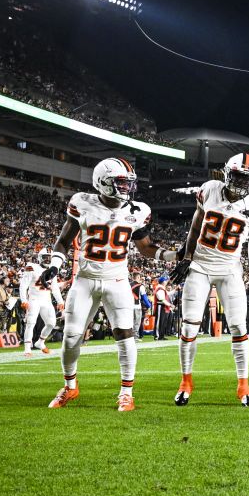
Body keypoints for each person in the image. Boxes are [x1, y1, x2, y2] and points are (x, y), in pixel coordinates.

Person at [45, 157, 180, 412]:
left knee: (125, 334)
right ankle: (70, 385)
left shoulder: (137, 211)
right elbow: (64, 240)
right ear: (102, 182)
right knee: (71, 336)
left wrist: (174, 255)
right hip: (84, 280)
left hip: (117, 280)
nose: (126, 188)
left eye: (128, 183)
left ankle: (126, 393)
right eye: (120, 183)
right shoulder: (82, 203)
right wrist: (55, 265)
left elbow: (146, 248)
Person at [171, 152, 249, 407]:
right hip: (201, 267)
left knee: (239, 327)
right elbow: (195, 226)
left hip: (230, 270)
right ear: (227, 173)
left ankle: (243, 385)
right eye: (237, 176)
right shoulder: (210, 190)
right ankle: (185, 382)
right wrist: (186, 258)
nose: (240, 183)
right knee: (189, 327)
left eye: (246, 179)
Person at [20, 248, 64, 356]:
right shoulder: (32, 267)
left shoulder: (52, 271)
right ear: (40, 258)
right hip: (34, 299)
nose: (48, 260)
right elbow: (23, 285)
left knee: (51, 323)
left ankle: (40, 342)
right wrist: (24, 300)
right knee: (31, 322)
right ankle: (27, 349)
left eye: (50, 257)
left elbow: (54, 288)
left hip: (46, 300)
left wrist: (60, 301)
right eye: (45, 257)